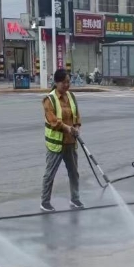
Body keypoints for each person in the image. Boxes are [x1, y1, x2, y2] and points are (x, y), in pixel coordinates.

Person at [41, 68, 83, 212]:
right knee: (50, 174)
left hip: (70, 142)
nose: (67, 85)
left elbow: (76, 114)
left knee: (74, 172)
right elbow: (53, 121)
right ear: (57, 82)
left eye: (68, 82)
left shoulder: (71, 96)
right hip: (56, 144)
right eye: (64, 82)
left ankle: (75, 199)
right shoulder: (49, 99)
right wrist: (67, 128)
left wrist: (76, 127)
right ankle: (45, 202)